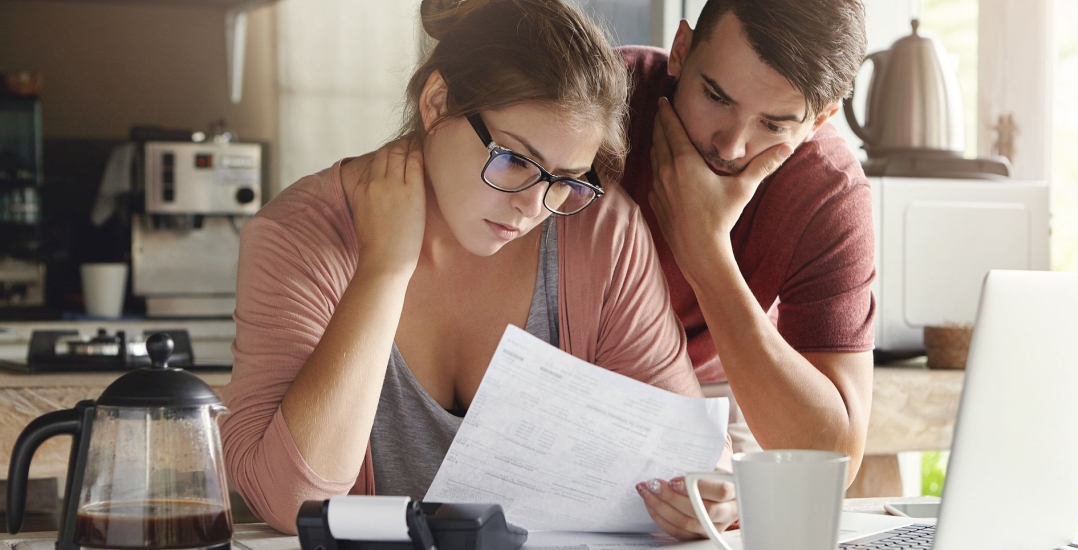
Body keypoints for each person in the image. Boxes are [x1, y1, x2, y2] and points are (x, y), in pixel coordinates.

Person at [219, 0, 734, 537]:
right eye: (514, 160)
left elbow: (686, 457)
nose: (534, 207)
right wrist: (384, 270)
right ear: (438, 103)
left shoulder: (601, 232)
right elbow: (289, 502)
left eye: (566, 180)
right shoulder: (300, 236)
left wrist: (709, 496)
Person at [624, 0, 876, 529]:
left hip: (722, 390)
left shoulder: (828, 191)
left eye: (774, 124)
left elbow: (832, 460)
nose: (731, 145)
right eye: (715, 96)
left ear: (821, 119)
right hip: (564, 366)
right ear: (681, 50)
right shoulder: (602, 99)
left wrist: (706, 252)